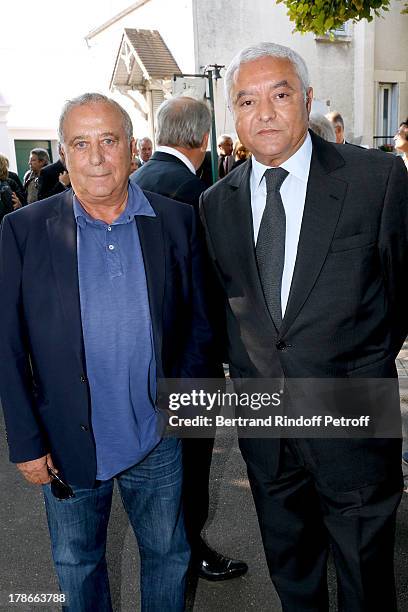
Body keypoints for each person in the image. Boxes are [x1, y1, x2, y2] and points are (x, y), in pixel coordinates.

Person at [200, 42, 408, 611]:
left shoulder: (378, 180)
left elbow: (399, 295)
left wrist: (354, 365)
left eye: (280, 95)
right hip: (267, 429)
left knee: (366, 581)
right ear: (233, 114)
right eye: (247, 100)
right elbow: (232, 312)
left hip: (355, 420)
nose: (263, 113)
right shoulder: (216, 203)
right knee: (292, 574)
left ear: (308, 99)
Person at [0, 92, 219, 611]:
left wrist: (183, 412)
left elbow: (198, 329)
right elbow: (7, 347)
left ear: (132, 148)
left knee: (169, 555)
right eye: (81, 143)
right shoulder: (23, 231)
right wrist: (27, 443)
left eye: (108, 140)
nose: (96, 157)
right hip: (66, 444)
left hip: (156, 440)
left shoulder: (176, 220)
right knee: (78, 564)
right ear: (63, 153)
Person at [131, 95, 248, 581]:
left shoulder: (135, 179)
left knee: (155, 467)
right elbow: (212, 282)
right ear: (203, 137)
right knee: (191, 463)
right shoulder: (192, 190)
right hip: (187, 360)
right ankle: (189, 551)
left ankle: (167, 549)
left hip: (141, 356)